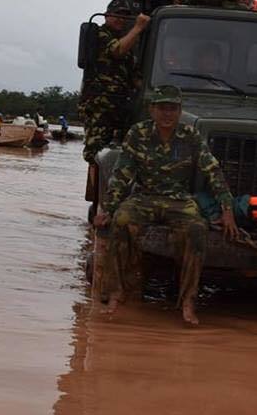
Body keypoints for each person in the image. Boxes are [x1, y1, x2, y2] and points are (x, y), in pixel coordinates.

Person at [94, 85, 238, 325]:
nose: (167, 114)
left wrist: (227, 209)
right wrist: (107, 209)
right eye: (162, 108)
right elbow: (122, 173)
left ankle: (188, 302)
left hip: (179, 200)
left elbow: (212, 171)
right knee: (121, 222)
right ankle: (116, 296)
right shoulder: (138, 134)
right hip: (144, 197)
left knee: (196, 230)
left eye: (172, 108)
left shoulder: (191, 136)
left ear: (180, 111)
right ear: (152, 110)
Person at [79, 0, 150, 166]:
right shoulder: (101, 35)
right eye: (117, 15)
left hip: (120, 107)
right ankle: (96, 189)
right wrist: (138, 27)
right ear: (106, 16)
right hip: (100, 107)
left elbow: (135, 78)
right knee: (95, 153)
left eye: (125, 16)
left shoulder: (127, 42)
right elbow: (116, 50)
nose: (120, 19)